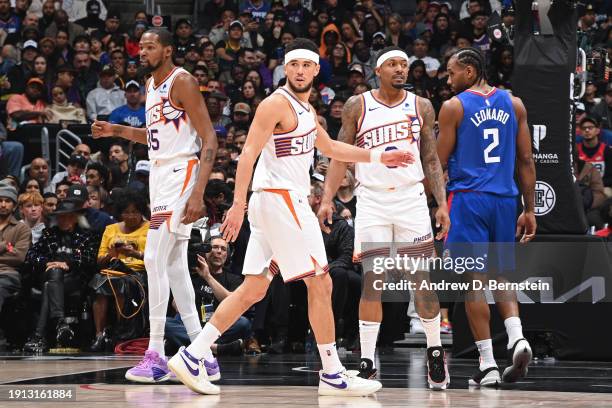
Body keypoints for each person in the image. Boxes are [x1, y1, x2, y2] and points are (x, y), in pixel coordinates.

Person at [172, 38, 412, 396]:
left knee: (253, 288)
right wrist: (237, 204)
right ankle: (331, 372)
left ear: (316, 69)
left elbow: (330, 148)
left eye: (307, 65)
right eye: (294, 65)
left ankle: (194, 354)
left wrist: (379, 157)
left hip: (280, 203)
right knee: (322, 282)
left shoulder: (307, 110)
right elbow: (248, 154)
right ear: (286, 68)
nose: (300, 71)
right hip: (279, 200)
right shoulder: (274, 104)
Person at [91, 27, 218, 384]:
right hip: (160, 175)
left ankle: (157, 353)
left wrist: (198, 193)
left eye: (150, 47)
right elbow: (153, 137)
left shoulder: (183, 81)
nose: (142, 52)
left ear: (168, 50)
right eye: (141, 47)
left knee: (152, 258)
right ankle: (204, 355)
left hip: (182, 173)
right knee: (175, 266)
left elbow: (209, 136)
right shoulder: (150, 85)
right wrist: (117, 131)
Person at [319, 46, 450, 389]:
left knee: (421, 279)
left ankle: (435, 352)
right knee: (372, 282)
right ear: (378, 70)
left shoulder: (421, 105)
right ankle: (366, 360)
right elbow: (339, 156)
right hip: (373, 201)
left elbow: (432, 160)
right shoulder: (357, 105)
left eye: (404, 65)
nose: (400, 69)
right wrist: (327, 199)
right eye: (393, 64)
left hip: (411, 199)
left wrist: (442, 203)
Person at [436, 48, 537, 387]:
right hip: (505, 199)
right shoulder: (515, 103)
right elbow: (525, 161)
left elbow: (437, 163)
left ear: (469, 69)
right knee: (501, 274)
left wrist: (436, 203)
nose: (448, 80)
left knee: (473, 282)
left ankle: (489, 364)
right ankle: (517, 337)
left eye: (451, 73)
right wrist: (529, 208)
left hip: (468, 200)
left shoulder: (454, 107)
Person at [90, 190, 149, 351]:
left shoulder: (150, 228)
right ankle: (99, 335)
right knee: (99, 283)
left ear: (141, 212)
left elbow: (155, 258)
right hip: (113, 270)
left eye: (135, 212)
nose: (130, 216)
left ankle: (122, 333)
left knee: (121, 284)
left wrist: (134, 253)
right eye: (126, 212)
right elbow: (100, 261)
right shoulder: (110, 229)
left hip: (139, 273)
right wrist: (112, 253)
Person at [0, 181, 32, 347]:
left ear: (14, 205)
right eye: (0, 200)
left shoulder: (21, 229)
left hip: (8, 274)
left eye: (7, 200)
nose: (3, 204)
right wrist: (4, 247)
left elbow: (20, 257)